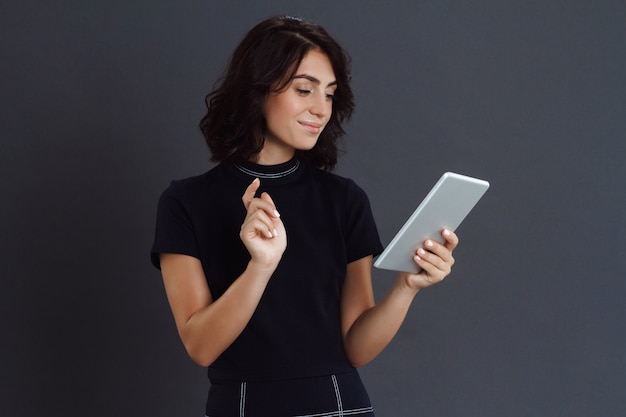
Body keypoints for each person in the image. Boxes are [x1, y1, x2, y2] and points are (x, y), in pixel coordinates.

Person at [151, 15, 458, 417]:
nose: (320, 109)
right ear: (257, 90)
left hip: (340, 405)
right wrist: (260, 267)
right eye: (304, 90)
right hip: (243, 407)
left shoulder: (344, 199)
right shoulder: (186, 201)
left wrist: (406, 287)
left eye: (330, 94)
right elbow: (201, 346)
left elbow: (356, 347)